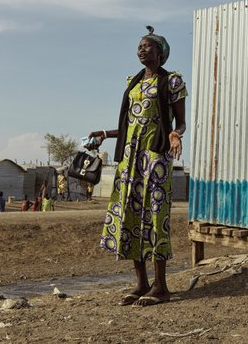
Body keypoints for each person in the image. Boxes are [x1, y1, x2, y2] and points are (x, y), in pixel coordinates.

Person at [87, 26, 187, 307]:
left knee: (154, 217)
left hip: (155, 159)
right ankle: (141, 283)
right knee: (130, 216)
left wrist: (175, 133)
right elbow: (131, 123)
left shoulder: (173, 82)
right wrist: (105, 134)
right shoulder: (132, 82)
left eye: (146, 46)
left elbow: (180, 121)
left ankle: (162, 287)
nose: (141, 50)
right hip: (129, 159)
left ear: (160, 52)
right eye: (139, 46)